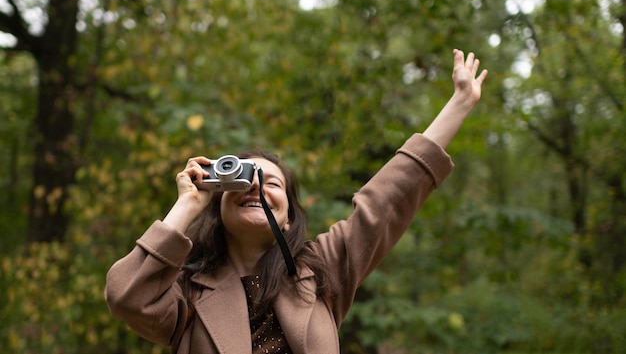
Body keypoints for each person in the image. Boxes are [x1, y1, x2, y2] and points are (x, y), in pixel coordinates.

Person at [105, 49, 488, 354]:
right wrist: (188, 204)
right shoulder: (187, 292)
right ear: (217, 208)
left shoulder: (323, 270)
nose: (256, 187)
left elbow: (386, 198)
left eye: (271, 183)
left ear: (287, 217)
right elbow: (127, 297)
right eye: (242, 180)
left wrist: (459, 104)